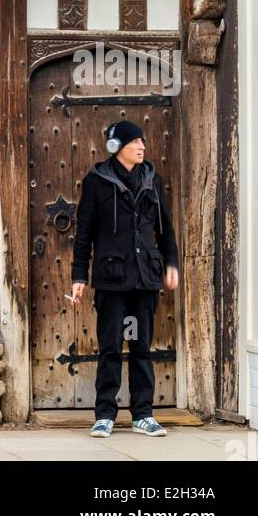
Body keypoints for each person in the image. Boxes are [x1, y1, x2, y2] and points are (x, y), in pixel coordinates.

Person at [70, 120, 179, 437]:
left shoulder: (152, 179)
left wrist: (170, 263)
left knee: (142, 348)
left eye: (143, 142)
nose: (142, 146)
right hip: (111, 278)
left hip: (145, 278)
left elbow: (165, 229)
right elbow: (84, 234)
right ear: (117, 147)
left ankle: (143, 414)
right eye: (135, 142)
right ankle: (104, 414)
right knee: (110, 349)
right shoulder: (97, 181)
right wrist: (79, 275)